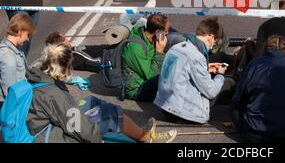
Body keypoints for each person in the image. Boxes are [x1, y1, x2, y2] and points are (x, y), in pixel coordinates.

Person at [25, 43, 176, 143]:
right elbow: (79, 128)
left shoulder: (37, 75)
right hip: (49, 137)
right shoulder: (54, 94)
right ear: (62, 67)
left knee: (91, 102)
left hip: (45, 126)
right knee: (107, 117)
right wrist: (98, 137)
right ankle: (145, 138)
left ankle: (140, 135)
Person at [231, 35, 285, 143]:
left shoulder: (253, 64)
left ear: (265, 48)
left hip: (253, 133)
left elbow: (238, 98)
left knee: (236, 107)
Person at [154, 17, 227, 124]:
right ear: (210, 36)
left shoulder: (176, 47)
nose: (214, 43)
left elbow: (183, 72)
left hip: (165, 106)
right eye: (215, 40)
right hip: (183, 114)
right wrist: (220, 75)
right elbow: (211, 91)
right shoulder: (196, 56)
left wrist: (205, 69)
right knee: (226, 83)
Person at [121, 14, 169, 102]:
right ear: (158, 32)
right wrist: (159, 52)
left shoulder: (151, 38)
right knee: (172, 78)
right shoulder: (135, 48)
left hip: (146, 80)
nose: (167, 33)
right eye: (166, 31)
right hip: (137, 90)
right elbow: (151, 76)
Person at [0, 13, 35, 101]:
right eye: (28, 35)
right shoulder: (7, 55)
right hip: (13, 104)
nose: (27, 39)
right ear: (20, 32)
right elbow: (9, 91)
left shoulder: (13, 50)